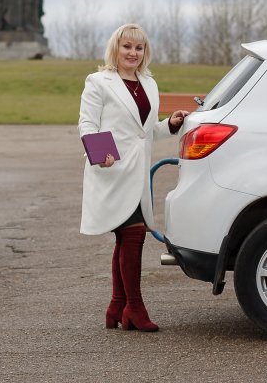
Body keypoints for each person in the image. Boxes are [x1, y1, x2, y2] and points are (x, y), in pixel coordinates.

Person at [78, 24, 188, 332]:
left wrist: (172, 124)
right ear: (116, 48)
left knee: (127, 237)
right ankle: (134, 308)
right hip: (111, 169)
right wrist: (101, 155)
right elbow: (87, 124)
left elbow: (146, 131)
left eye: (138, 48)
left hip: (137, 173)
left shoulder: (148, 83)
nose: (132, 53)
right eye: (127, 46)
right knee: (133, 235)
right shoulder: (99, 82)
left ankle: (117, 306)